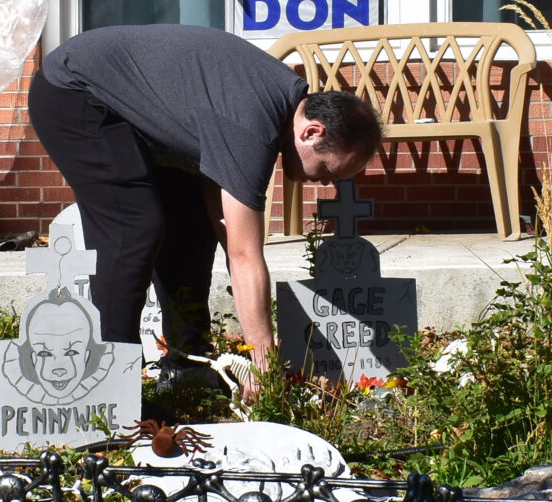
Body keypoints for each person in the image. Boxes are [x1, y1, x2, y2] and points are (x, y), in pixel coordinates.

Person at [28, 24, 382, 401]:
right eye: (329, 170)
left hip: (137, 113)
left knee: (191, 228)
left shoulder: (275, 102)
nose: (326, 184)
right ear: (311, 132)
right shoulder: (251, 125)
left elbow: (226, 229)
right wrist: (264, 365)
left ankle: (186, 365)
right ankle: (112, 391)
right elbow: (245, 255)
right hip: (75, 93)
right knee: (132, 227)